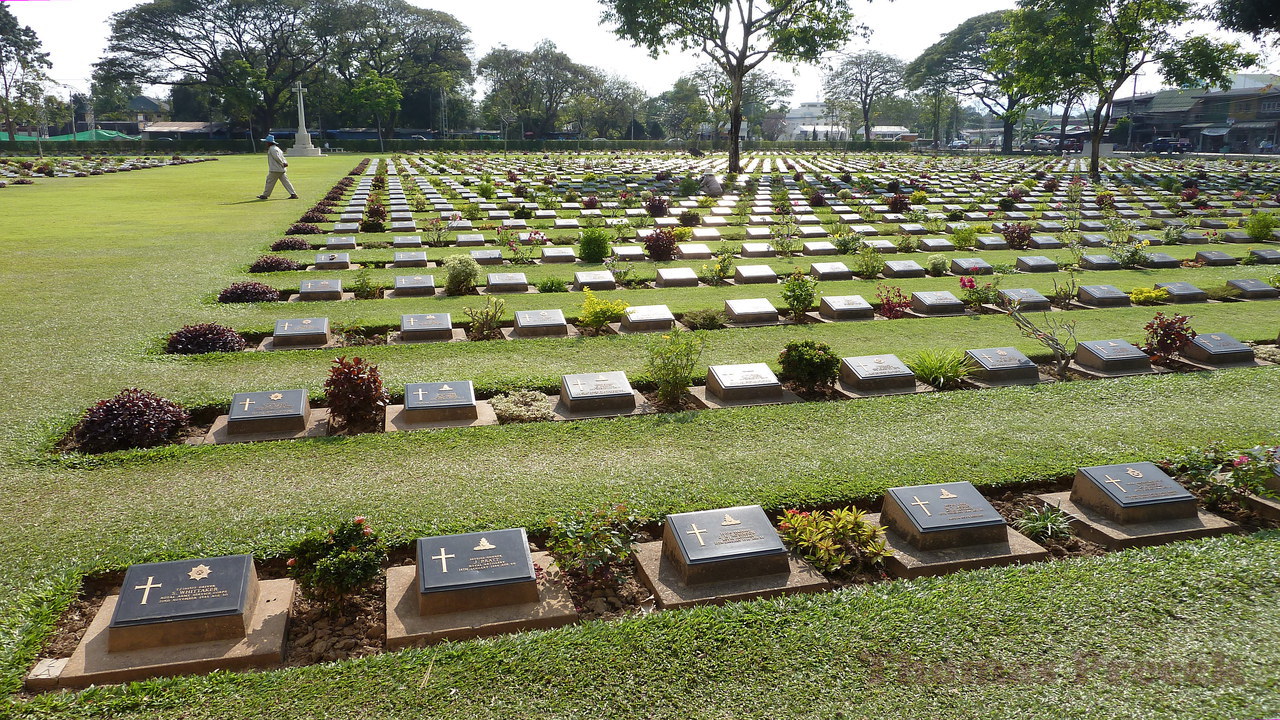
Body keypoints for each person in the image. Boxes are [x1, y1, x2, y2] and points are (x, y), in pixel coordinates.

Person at [257, 135, 298, 200]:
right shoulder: (277, 148)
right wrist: (284, 162)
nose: (266, 143)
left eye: (267, 142)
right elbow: (282, 157)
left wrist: (282, 163)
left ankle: (265, 195)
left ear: (270, 142)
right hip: (281, 169)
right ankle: (293, 194)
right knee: (286, 182)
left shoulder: (272, 149)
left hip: (275, 169)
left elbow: (277, 158)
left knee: (269, 181)